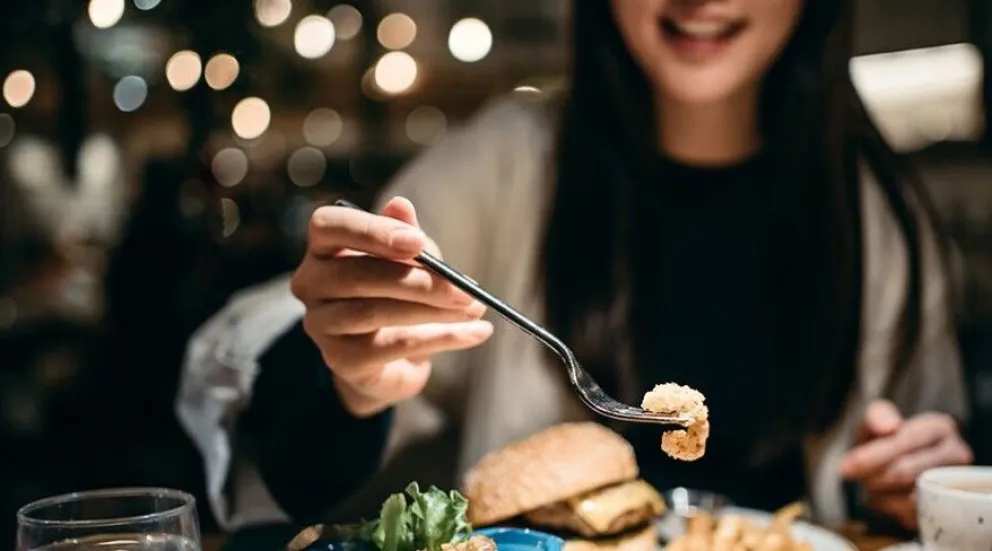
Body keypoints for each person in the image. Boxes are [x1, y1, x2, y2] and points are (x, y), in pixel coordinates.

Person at [177, 0, 973, 537]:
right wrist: (348, 379)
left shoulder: (876, 211)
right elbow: (287, 433)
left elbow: (916, 472)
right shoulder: (506, 164)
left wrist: (909, 484)